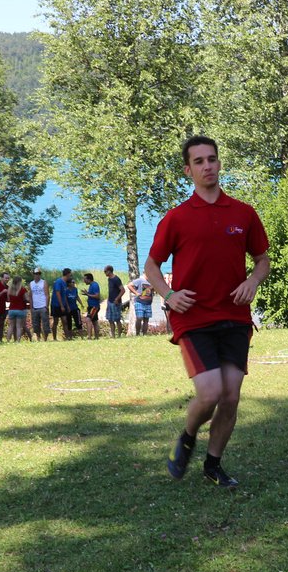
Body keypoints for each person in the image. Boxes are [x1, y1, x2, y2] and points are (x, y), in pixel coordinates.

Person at [146, 136, 270, 488]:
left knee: (230, 397)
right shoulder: (177, 218)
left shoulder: (243, 213)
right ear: (188, 170)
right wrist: (169, 295)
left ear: (219, 163)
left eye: (212, 159)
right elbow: (152, 266)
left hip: (235, 315)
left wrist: (253, 281)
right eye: (199, 161)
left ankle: (213, 465)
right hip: (194, 317)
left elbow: (262, 260)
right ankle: (187, 436)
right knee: (211, 393)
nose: (207, 166)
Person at [52, 268, 74, 341]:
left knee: (65, 321)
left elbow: (64, 295)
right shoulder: (59, 282)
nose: (71, 275)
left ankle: (67, 337)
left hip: (63, 305)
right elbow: (58, 293)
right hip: (56, 305)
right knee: (56, 321)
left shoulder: (65, 283)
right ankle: (54, 338)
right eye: (70, 274)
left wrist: (67, 306)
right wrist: (61, 305)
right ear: (67, 274)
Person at [6, 275, 29, 342]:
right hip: (20, 309)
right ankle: (18, 341)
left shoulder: (10, 290)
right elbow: (27, 299)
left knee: (11, 326)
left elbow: (8, 299)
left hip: (11, 309)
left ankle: (8, 340)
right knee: (18, 326)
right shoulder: (23, 289)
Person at [29, 269, 50, 341]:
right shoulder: (31, 283)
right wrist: (31, 307)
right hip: (35, 307)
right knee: (36, 324)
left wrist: (46, 306)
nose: (37, 275)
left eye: (38, 274)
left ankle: (45, 338)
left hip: (43, 306)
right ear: (33, 274)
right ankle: (38, 338)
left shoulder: (44, 282)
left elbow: (47, 295)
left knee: (45, 324)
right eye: (36, 274)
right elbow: (30, 296)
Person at [104, 265, 124, 338]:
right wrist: (108, 301)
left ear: (109, 271)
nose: (104, 273)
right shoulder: (109, 279)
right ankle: (113, 336)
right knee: (110, 319)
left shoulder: (116, 279)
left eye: (105, 271)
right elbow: (110, 291)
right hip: (110, 302)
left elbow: (123, 290)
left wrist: (117, 299)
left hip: (116, 302)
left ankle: (119, 335)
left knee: (117, 319)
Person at [83, 272, 101, 339]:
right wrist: (87, 293)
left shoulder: (94, 285)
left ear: (89, 279)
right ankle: (96, 337)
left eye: (85, 279)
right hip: (91, 306)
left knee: (88, 319)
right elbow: (92, 294)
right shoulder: (91, 285)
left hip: (94, 306)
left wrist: (87, 294)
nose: (84, 281)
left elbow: (97, 296)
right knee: (94, 321)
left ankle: (89, 337)